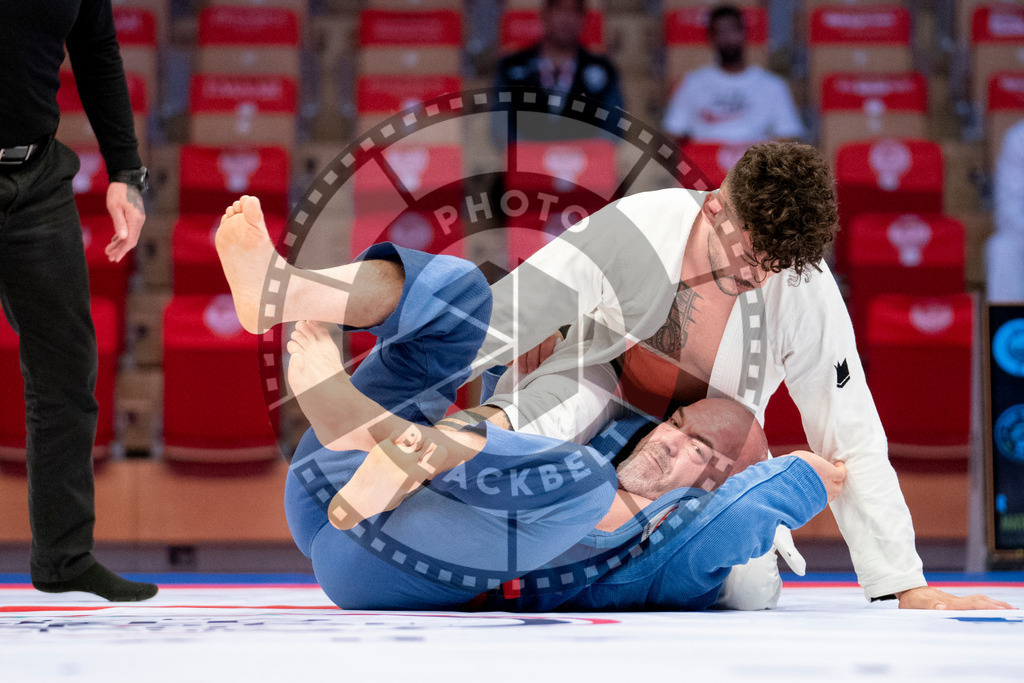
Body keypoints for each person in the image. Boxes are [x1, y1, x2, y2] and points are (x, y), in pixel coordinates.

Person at [215, 196, 846, 611]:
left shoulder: (670, 553)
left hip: (379, 566)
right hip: (327, 484)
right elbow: (522, 390)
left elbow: (740, 528)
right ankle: (283, 291)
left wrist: (808, 478)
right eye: (677, 424)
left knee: (586, 485)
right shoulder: (603, 431)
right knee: (470, 298)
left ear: (711, 488)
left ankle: (372, 433)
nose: (666, 438)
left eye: (696, 450)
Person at [467, 141, 1012, 611]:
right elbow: (507, 313)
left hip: (701, 458)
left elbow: (849, 428)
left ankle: (595, 568)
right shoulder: (639, 228)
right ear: (715, 207)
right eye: (751, 254)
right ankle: (441, 498)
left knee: (749, 586)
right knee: (546, 417)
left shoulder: (803, 286)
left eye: (776, 264)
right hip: (598, 395)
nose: (758, 275)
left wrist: (902, 582)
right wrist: (407, 390)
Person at [0, 1, 153, 600]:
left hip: (37, 177)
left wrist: (126, 171)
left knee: (67, 369)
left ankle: (63, 557)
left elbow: (96, 49)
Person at [662, 5, 804, 146]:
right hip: (703, 164)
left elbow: (790, 135)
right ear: (711, 38)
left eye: (733, 30)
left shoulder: (773, 85)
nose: (728, 38)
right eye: (720, 32)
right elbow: (672, 132)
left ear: (744, 32)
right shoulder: (691, 83)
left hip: (757, 164)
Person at [495, 0, 624, 140]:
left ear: (584, 19)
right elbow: (500, 125)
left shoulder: (603, 69)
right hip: (526, 157)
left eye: (574, 12)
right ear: (545, 14)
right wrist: (533, 154)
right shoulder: (512, 66)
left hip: (587, 158)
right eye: (560, 10)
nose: (566, 19)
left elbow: (614, 126)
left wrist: (582, 154)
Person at [986, 118, 1024, 302]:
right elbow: (1008, 211)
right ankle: (1011, 327)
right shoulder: (1019, 138)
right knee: (1003, 249)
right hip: (1021, 234)